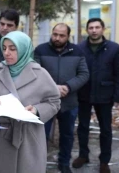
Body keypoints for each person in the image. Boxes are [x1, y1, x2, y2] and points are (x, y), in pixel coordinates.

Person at [0, 31, 60, 173]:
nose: (7, 53)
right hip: (0, 137)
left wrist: (36, 110)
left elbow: (54, 101)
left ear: (24, 49)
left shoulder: (40, 73)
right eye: (4, 48)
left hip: (29, 136)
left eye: (12, 48)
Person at [72, 18, 119, 173]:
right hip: (84, 94)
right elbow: (75, 71)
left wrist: (118, 97)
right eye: (91, 27)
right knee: (83, 127)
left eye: (97, 27)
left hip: (105, 95)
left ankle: (104, 161)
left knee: (105, 129)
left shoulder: (114, 49)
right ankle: (83, 155)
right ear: (87, 30)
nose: (94, 30)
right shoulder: (79, 48)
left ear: (103, 29)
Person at [34, 23, 89, 173]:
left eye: (61, 35)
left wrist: (68, 87)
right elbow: (35, 73)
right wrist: (54, 88)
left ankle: (64, 162)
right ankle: (38, 164)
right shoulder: (40, 50)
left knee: (67, 135)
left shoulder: (77, 51)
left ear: (68, 36)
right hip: (44, 102)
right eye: (55, 34)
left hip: (69, 102)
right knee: (40, 135)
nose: (57, 38)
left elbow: (84, 74)